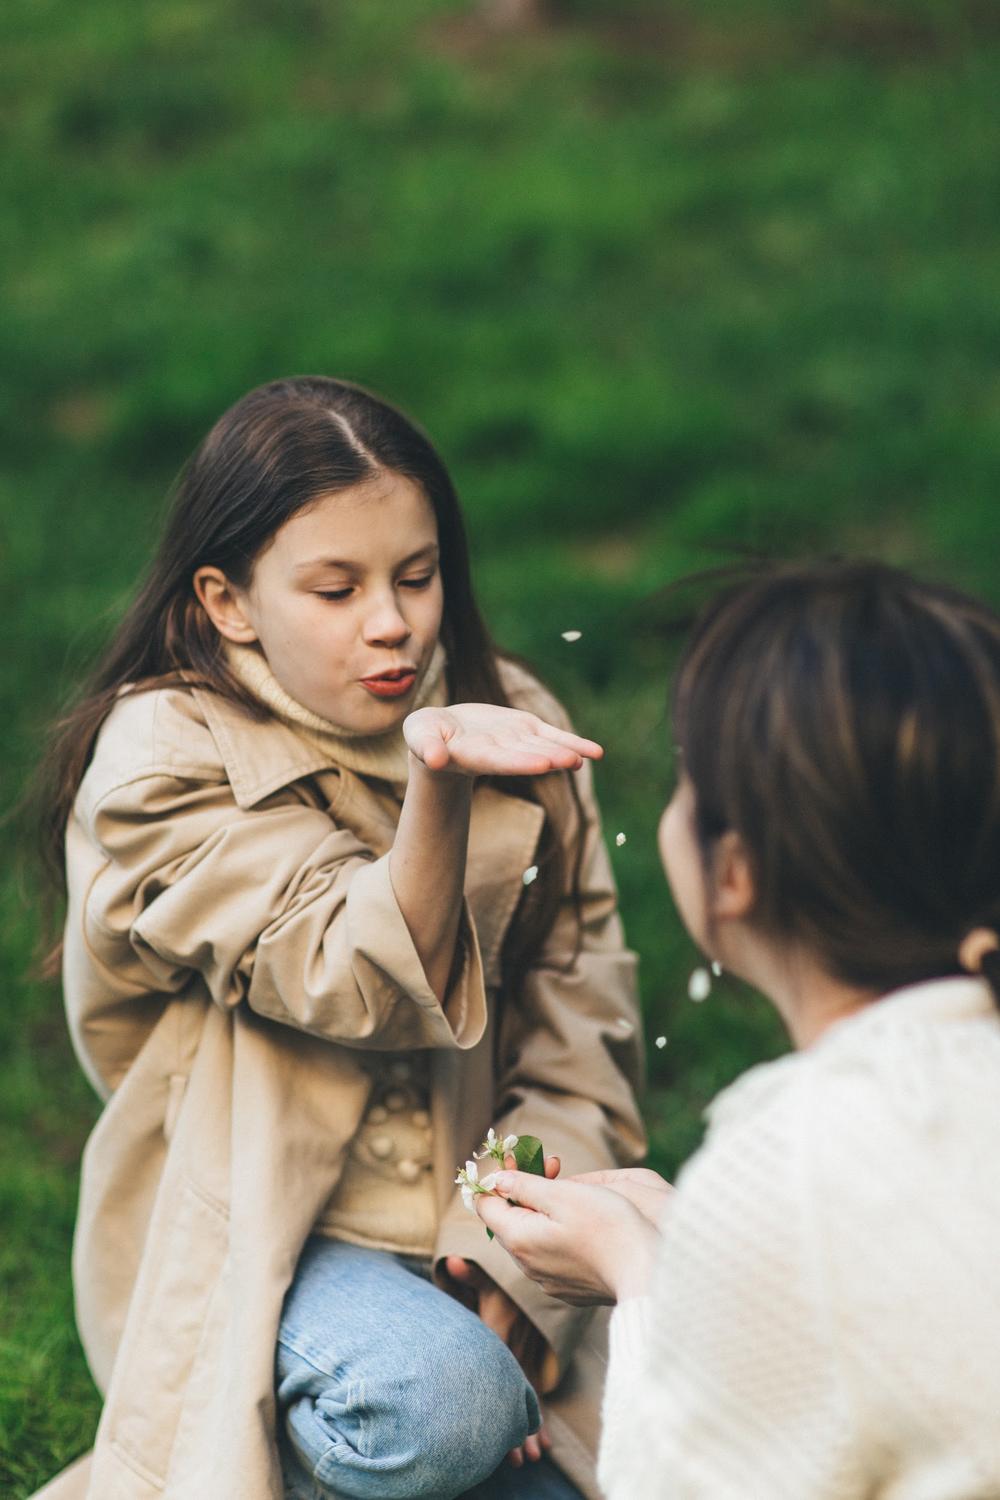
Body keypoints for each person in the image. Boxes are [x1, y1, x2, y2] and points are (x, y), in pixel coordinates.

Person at [32, 376, 645, 1500]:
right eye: (335, 587)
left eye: (417, 576)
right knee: (443, 1403)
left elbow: (580, 1015)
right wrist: (438, 785)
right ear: (226, 600)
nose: (392, 622)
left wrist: (512, 1256)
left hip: (474, 1215)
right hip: (265, 1235)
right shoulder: (160, 755)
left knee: (541, 1434)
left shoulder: (518, 718)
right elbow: (343, 970)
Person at [477, 561, 1000, 1499]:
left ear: (734, 874)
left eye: (686, 786)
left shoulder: (784, 1161)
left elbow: (681, 1481)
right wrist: (701, 1245)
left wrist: (637, 1269)